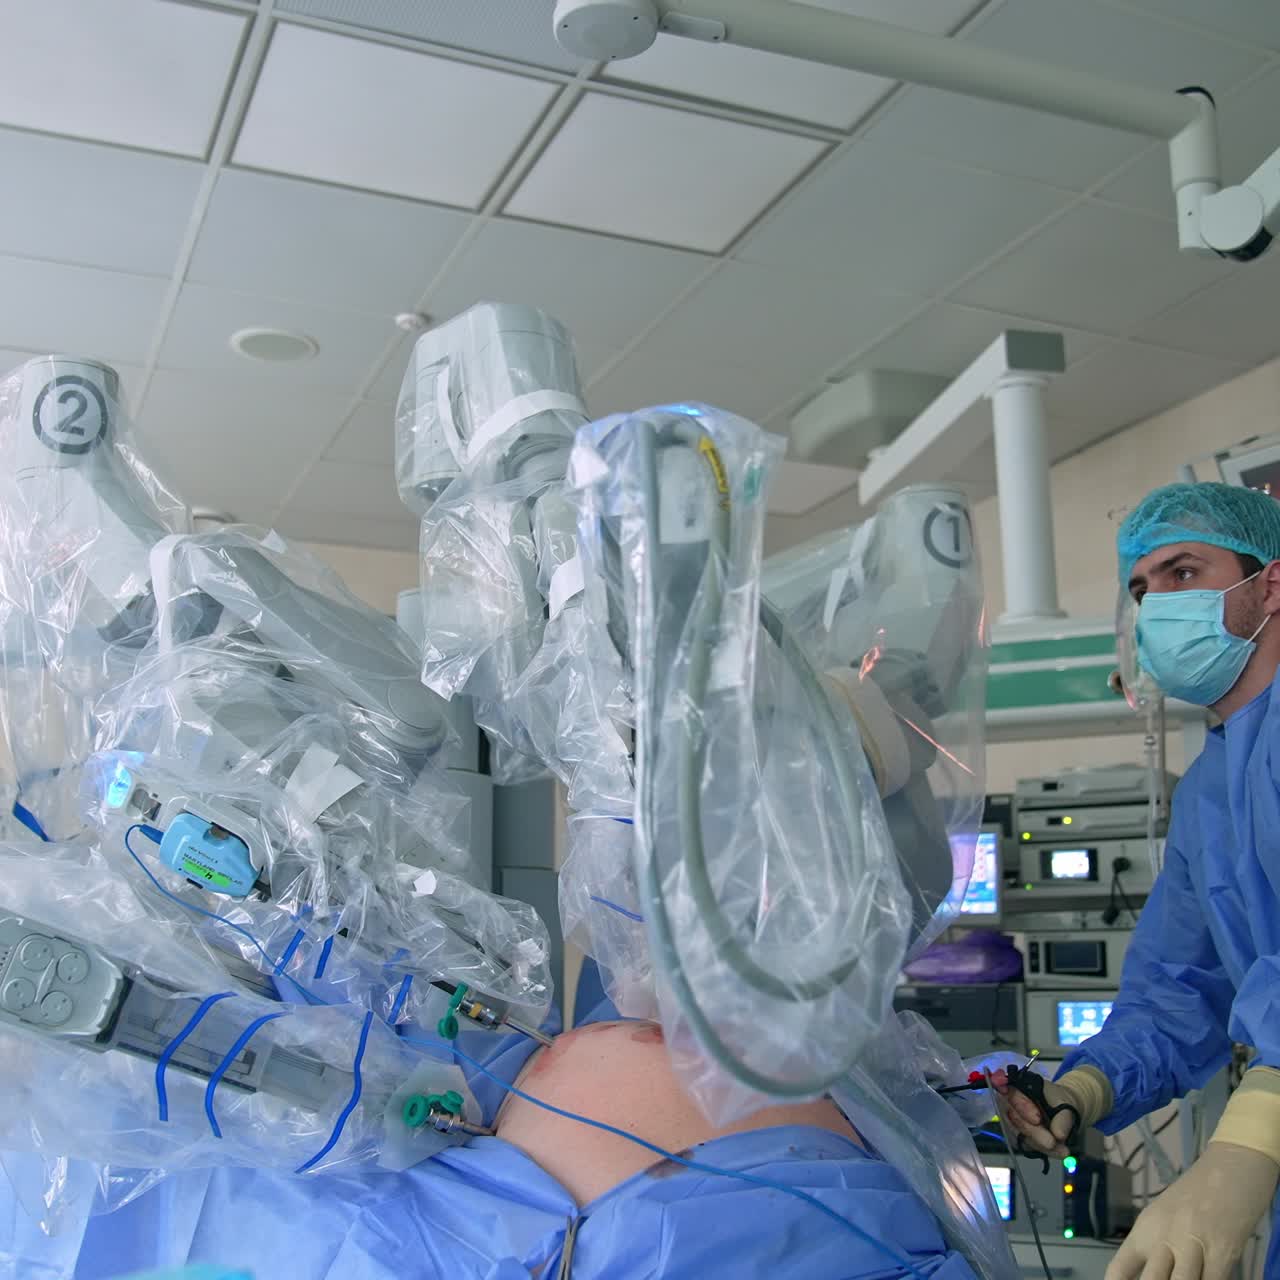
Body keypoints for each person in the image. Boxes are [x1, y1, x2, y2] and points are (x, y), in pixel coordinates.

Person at [999, 481, 1280, 1280]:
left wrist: (1251, 1139)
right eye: (1141, 588)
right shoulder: (1210, 790)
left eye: (1183, 572)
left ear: (1272, 583)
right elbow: (1178, 989)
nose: (1156, 603)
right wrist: (1082, 1090)